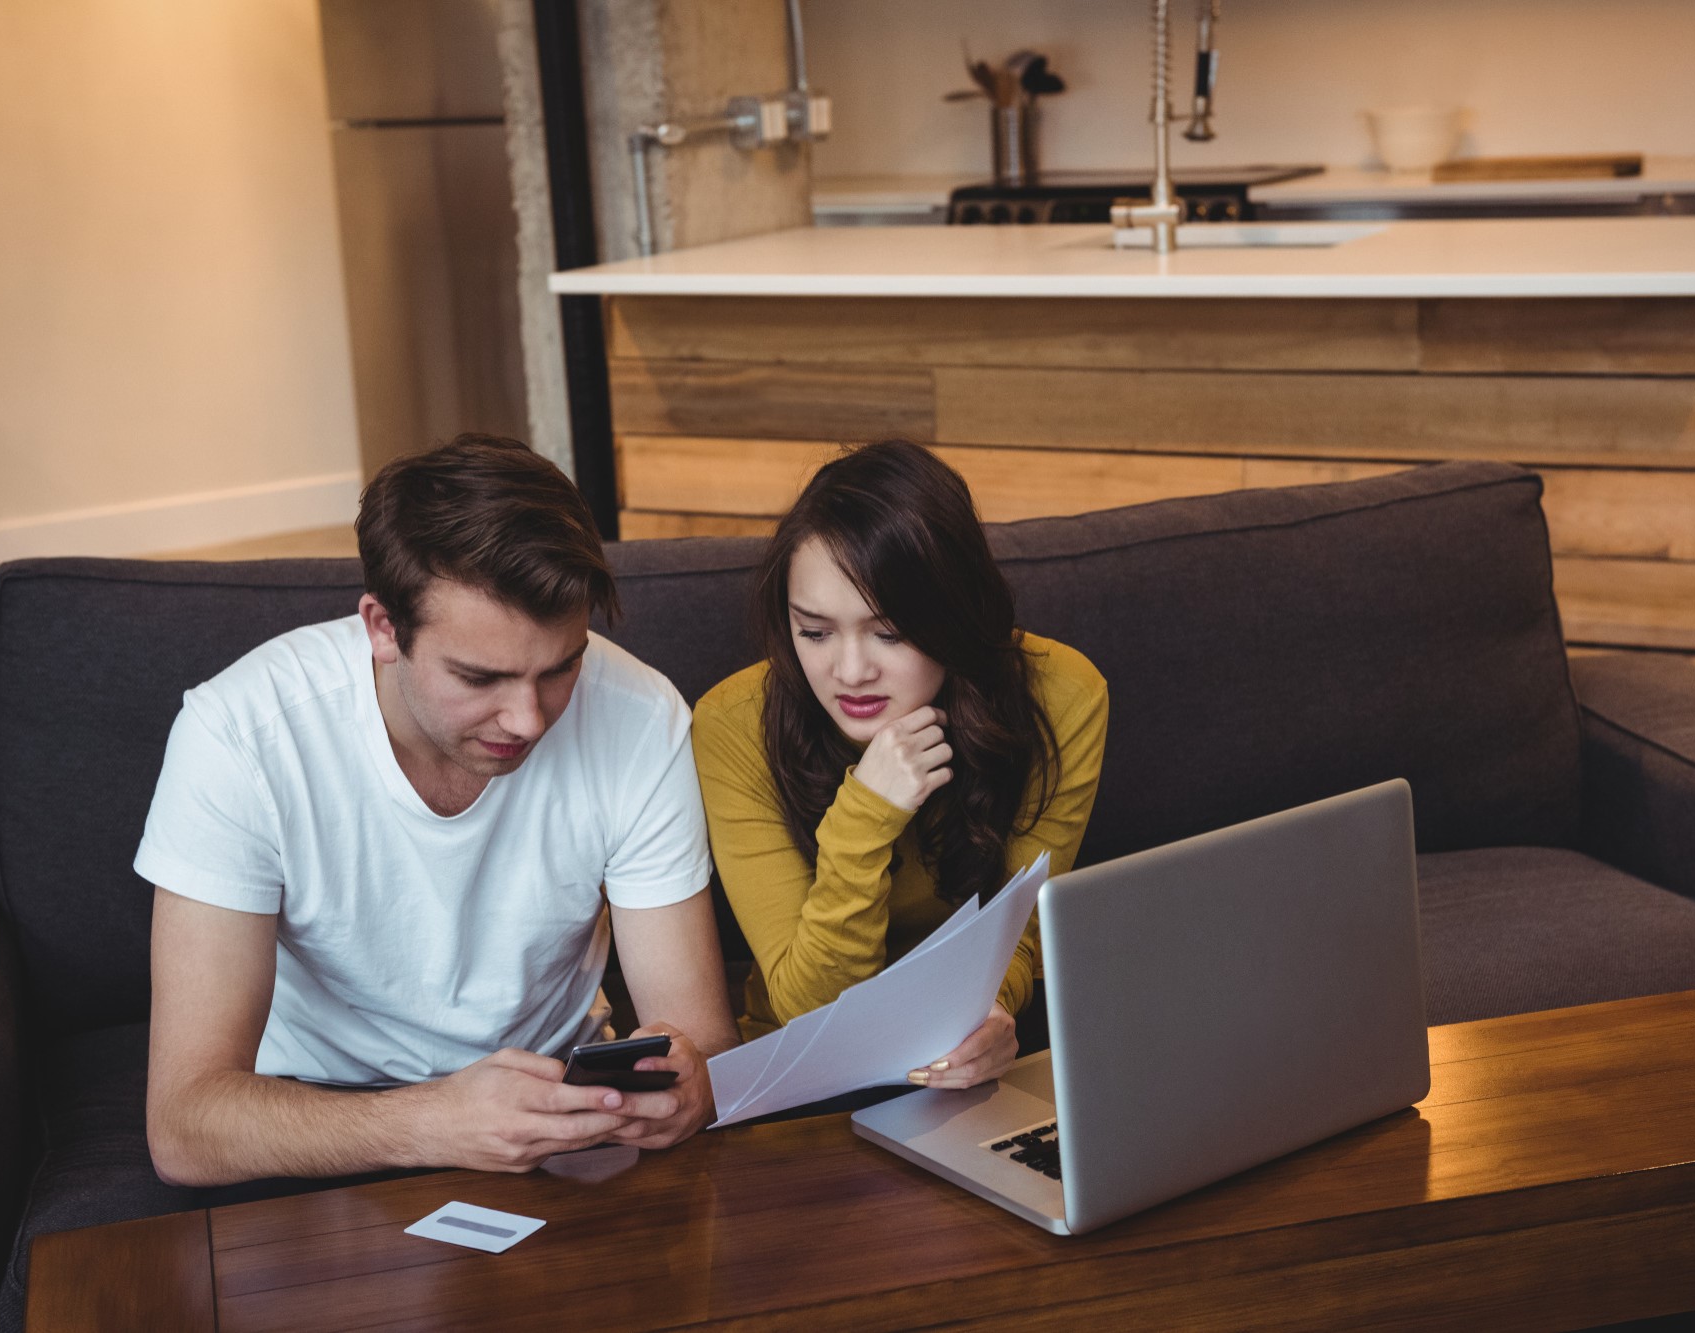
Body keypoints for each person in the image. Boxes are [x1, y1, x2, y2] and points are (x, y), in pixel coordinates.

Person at [138, 434, 736, 1189]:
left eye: (560, 667)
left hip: (563, 1122)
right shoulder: (241, 735)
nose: (528, 718)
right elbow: (186, 1123)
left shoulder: (641, 717)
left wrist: (688, 1086)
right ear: (383, 628)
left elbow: (704, 1040)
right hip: (318, 1129)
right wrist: (435, 1121)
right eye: (480, 676)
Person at [692, 440, 1108, 1091]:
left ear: (956, 616)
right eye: (815, 631)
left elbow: (1017, 931)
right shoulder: (734, 723)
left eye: (889, 632)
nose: (851, 671)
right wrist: (867, 813)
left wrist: (993, 1012)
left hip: (970, 1064)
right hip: (806, 1084)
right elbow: (808, 1013)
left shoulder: (1062, 697)